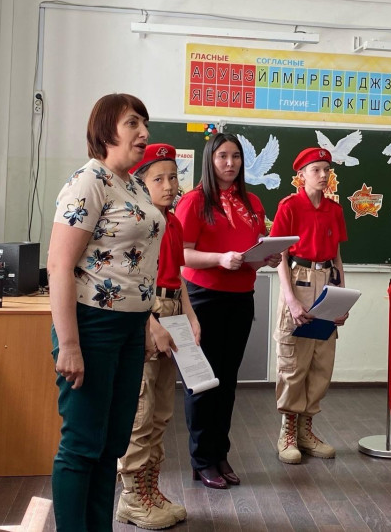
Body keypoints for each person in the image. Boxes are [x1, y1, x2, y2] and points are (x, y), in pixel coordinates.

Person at [47, 93, 166, 532]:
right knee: (82, 444)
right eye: (133, 123)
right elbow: (58, 265)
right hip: (92, 325)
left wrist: (146, 323)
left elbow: (135, 265)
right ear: (105, 130)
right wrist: (69, 344)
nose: (144, 132)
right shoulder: (89, 181)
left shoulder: (133, 185)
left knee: (112, 443)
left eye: (145, 123)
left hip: (130, 326)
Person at [175, 134, 279, 489]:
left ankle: (219, 454)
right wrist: (219, 259)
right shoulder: (194, 201)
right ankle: (201, 459)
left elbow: (250, 252)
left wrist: (266, 258)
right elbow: (181, 254)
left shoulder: (252, 202)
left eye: (236, 156)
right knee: (203, 382)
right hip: (203, 298)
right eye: (222, 156)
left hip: (241, 298)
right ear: (210, 159)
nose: (230, 163)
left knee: (228, 382)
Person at [115, 143, 203, 528]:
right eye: (158, 179)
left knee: (162, 411)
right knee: (141, 409)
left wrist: (191, 316)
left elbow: (177, 277)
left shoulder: (174, 222)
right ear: (140, 182)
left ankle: (150, 489)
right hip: (146, 314)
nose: (169, 185)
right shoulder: (138, 221)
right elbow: (127, 279)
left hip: (173, 311)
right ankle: (132, 497)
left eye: (173, 177)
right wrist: (151, 324)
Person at [271, 147, 349, 465]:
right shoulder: (289, 206)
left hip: (326, 280)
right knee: (294, 361)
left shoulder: (334, 209)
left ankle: (306, 431)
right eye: (316, 169)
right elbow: (280, 255)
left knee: (321, 362)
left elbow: (337, 256)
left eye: (326, 169)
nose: (323, 175)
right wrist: (290, 298)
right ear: (301, 175)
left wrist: (342, 296)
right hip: (298, 280)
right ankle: (287, 432)